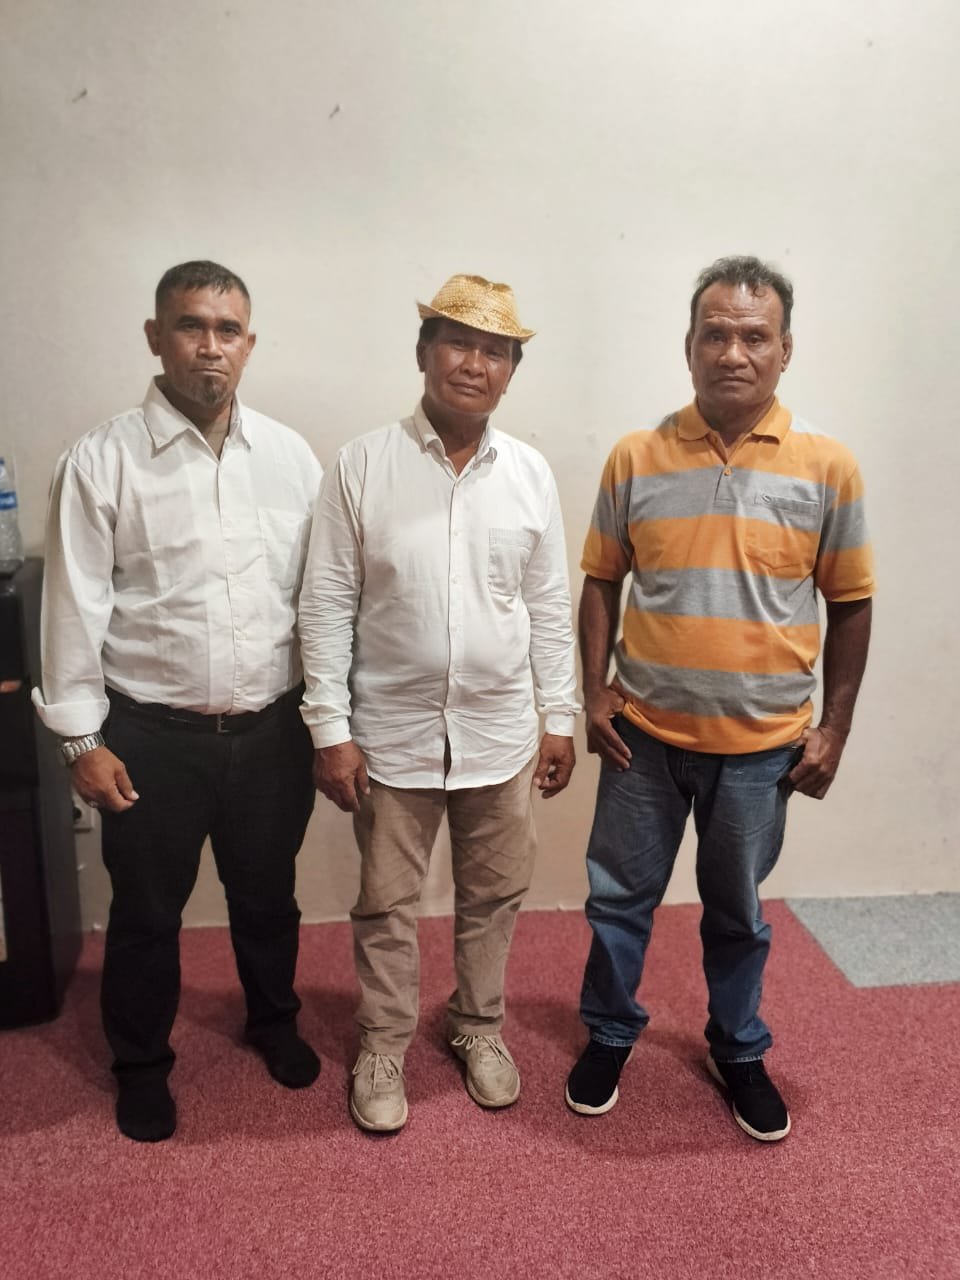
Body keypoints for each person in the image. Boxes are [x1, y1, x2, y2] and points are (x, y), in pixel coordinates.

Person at [564, 255, 874, 1141]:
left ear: (785, 350)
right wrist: (593, 693)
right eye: (715, 334)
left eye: (754, 336)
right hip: (643, 740)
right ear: (689, 344)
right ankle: (610, 1032)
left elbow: (851, 602)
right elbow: (601, 580)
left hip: (762, 748)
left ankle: (739, 1048)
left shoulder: (829, 466)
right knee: (618, 902)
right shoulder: (636, 456)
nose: (733, 352)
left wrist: (834, 728)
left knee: (737, 913)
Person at [33, 260, 323, 1142]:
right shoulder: (102, 460)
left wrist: (329, 717)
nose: (210, 346)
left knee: (268, 898)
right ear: (155, 337)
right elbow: (74, 608)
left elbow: (318, 599)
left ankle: (273, 1020)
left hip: (272, 731)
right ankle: (141, 1065)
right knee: (147, 915)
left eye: (228, 330)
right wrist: (81, 741)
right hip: (150, 737)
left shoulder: (291, 458)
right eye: (191, 325)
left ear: (250, 343)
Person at [299, 273, 579, 1132]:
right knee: (386, 902)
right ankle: (383, 1044)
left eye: (495, 351)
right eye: (457, 342)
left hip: (500, 732)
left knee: (494, 893)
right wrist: (329, 728)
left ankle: (477, 1026)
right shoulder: (362, 465)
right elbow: (326, 602)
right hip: (391, 735)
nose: (474, 363)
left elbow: (547, 606)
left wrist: (560, 716)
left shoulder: (529, 474)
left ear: (511, 372)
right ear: (424, 352)